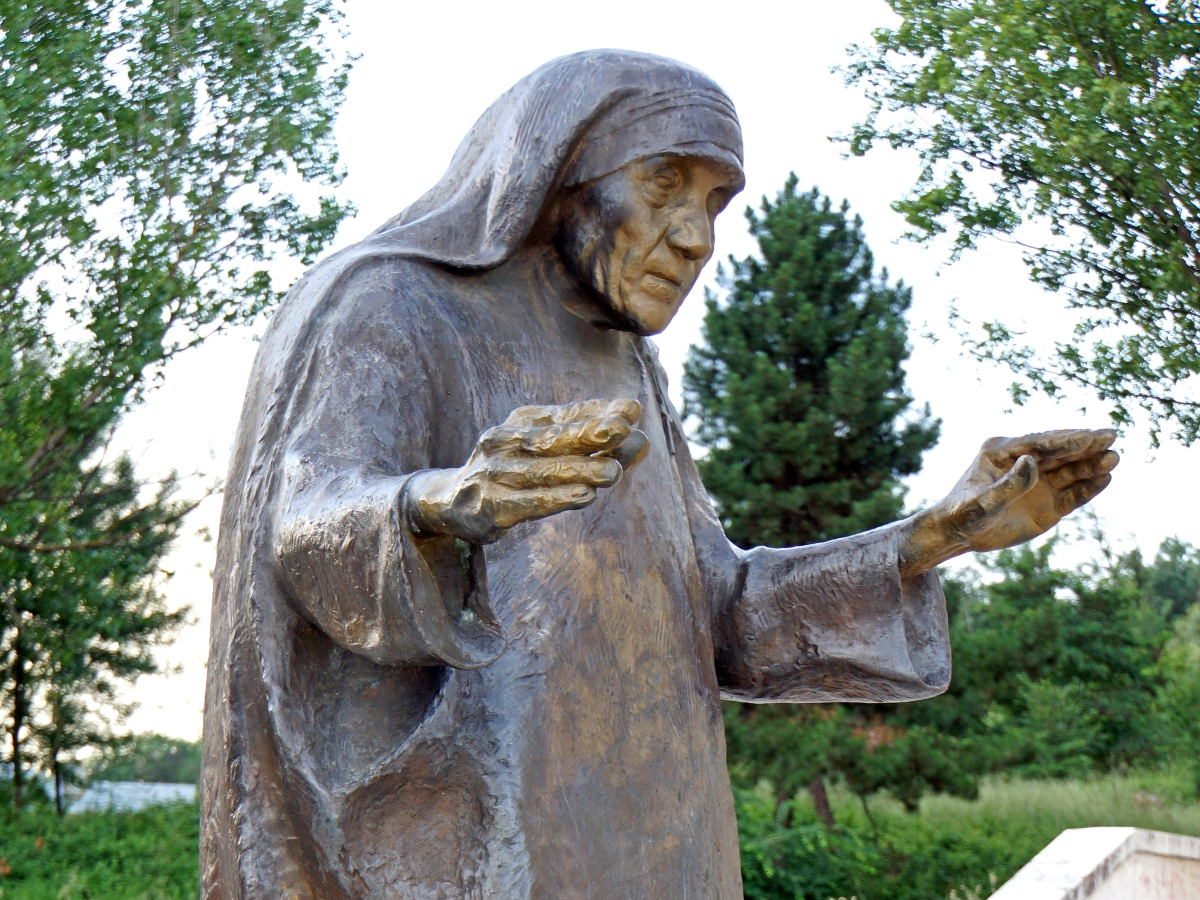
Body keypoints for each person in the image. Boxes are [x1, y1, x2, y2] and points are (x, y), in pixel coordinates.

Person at [201, 49, 1119, 899]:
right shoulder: (389, 302)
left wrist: (930, 538)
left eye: (716, 201)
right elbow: (303, 521)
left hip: (663, 839)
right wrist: (444, 507)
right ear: (559, 176)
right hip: (484, 841)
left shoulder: (627, 364)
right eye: (664, 183)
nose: (694, 236)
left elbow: (719, 612)